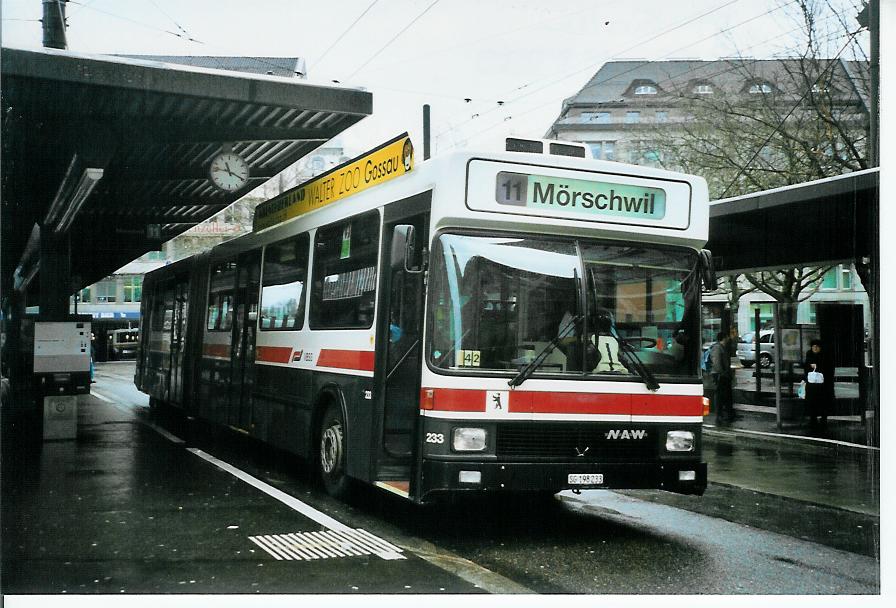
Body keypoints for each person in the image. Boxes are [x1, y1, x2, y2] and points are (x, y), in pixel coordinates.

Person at [803, 339, 834, 430]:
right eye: (813, 347)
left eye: (817, 347)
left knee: (823, 402)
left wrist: (818, 366)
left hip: (823, 385)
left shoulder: (825, 356)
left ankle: (823, 418)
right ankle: (813, 418)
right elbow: (806, 368)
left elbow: (829, 369)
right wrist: (810, 366)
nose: (815, 348)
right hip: (812, 385)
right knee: (812, 402)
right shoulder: (809, 355)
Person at [708, 331, 735, 424]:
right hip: (719, 375)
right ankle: (719, 415)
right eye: (727, 336)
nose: (728, 338)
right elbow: (716, 363)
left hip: (722, 375)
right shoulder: (717, 348)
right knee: (720, 396)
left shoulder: (721, 347)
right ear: (724, 338)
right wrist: (722, 372)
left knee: (725, 395)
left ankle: (725, 414)